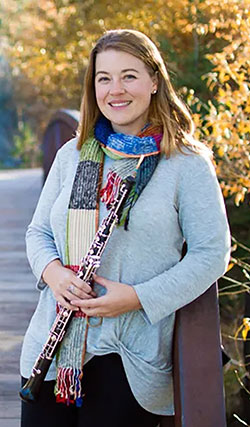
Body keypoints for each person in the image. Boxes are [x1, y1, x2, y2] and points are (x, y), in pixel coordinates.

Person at [20, 29, 231, 427]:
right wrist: (54, 273)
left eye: (129, 75)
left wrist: (136, 297)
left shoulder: (186, 163)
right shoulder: (73, 153)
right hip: (52, 351)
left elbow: (212, 252)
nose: (115, 89)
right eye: (104, 78)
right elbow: (37, 234)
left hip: (129, 357)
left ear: (154, 81)